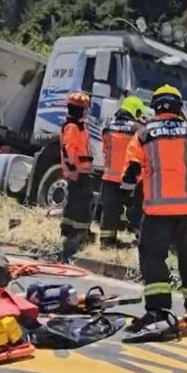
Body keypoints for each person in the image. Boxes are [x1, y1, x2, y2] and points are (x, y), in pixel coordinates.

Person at [121, 84, 187, 332]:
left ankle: (157, 309)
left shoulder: (143, 135)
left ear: (155, 107)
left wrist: (128, 197)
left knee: (153, 258)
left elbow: (131, 171)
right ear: (179, 107)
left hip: (156, 213)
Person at [98, 95, 145, 248]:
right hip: (131, 178)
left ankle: (106, 242)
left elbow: (104, 149)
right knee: (138, 211)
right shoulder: (137, 129)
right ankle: (139, 242)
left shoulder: (108, 126)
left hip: (109, 175)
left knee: (109, 211)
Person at [60, 91, 94, 261]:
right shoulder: (73, 127)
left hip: (81, 171)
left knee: (76, 202)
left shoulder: (77, 126)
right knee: (81, 203)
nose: (86, 112)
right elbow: (68, 150)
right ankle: (77, 235)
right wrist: (73, 169)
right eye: (84, 109)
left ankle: (70, 231)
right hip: (78, 172)